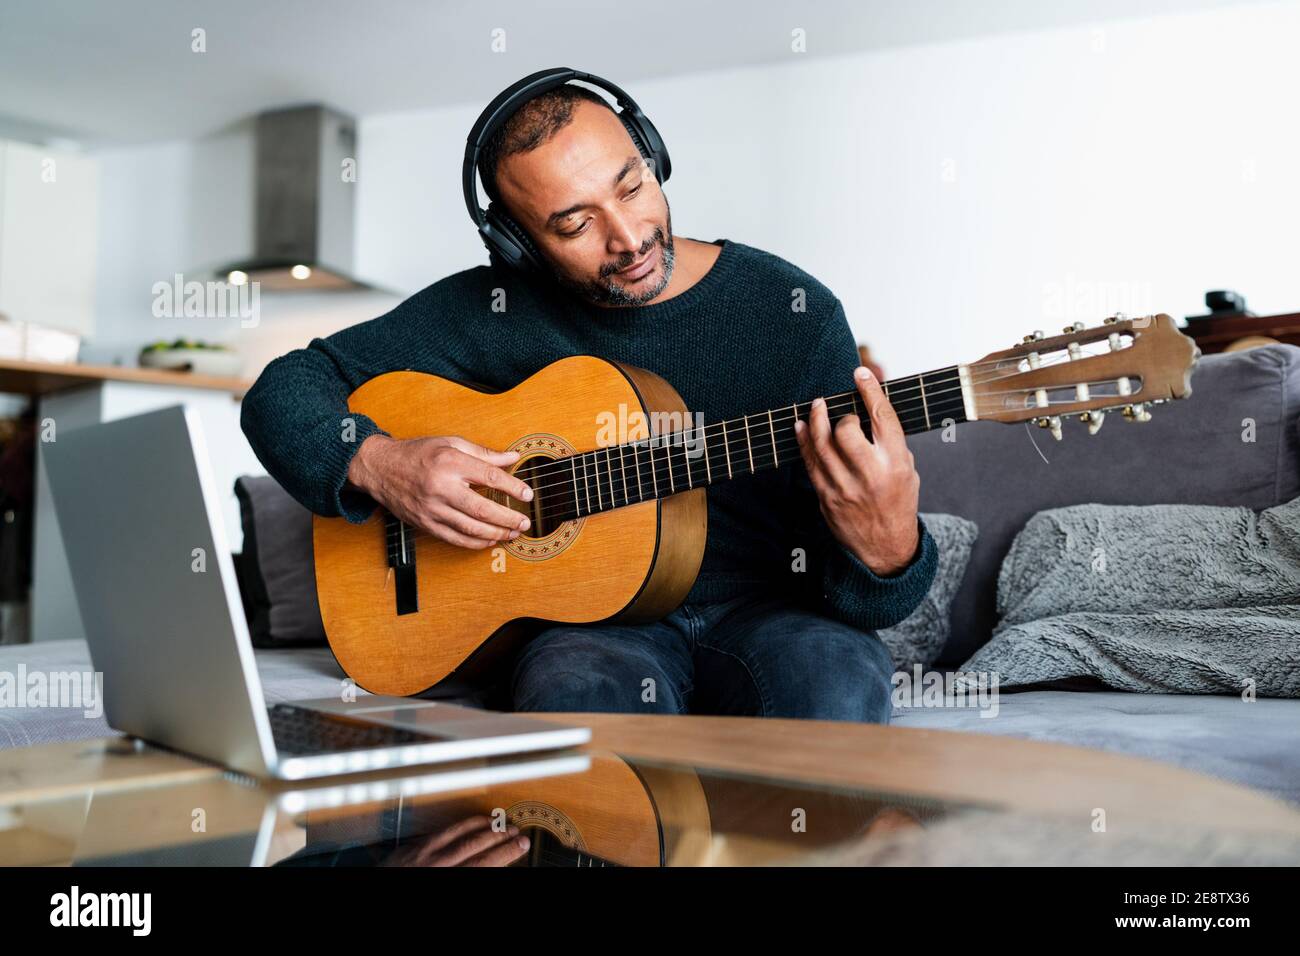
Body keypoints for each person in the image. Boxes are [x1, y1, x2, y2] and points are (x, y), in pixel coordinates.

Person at [241, 70, 937, 722]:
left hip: (774, 614)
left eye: (632, 188)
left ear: (654, 158)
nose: (629, 239)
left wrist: (888, 545)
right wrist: (382, 465)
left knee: (837, 685)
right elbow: (281, 392)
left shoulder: (793, 312)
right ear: (516, 245)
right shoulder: (492, 307)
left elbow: (875, 601)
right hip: (593, 631)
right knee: (572, 699)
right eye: (574, 225)